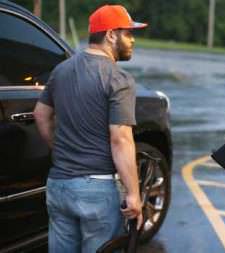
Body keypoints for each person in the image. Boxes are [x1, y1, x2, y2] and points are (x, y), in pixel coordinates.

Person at [33, 5, 147, 252]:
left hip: (58, 185)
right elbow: (121, 140)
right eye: (127, 33)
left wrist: (60, 148)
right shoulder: (119, 79)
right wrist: (133, 194)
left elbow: (40, 114)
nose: (132, 39)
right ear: (110, 35)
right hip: (97, 190)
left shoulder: (61, 70)